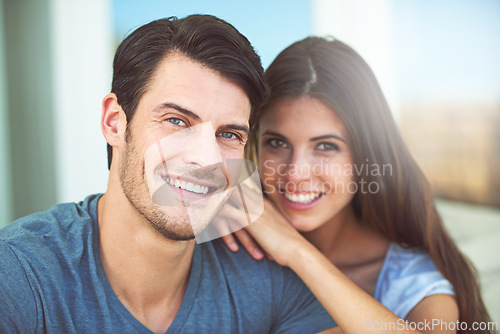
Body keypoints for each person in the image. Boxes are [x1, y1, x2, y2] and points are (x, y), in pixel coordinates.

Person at [0, 16, 336, 333]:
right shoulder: (19, 275)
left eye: (229, 135)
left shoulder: (261, 277)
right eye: (176, 121)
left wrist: (297, 250)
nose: (206, 159)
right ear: (115, 123)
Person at [222, 37, 495, 334]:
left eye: (326, 146)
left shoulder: (415, 285)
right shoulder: (231, 228)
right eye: (277, 142)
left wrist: (297, 251)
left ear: (366, 153)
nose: (295, 173)